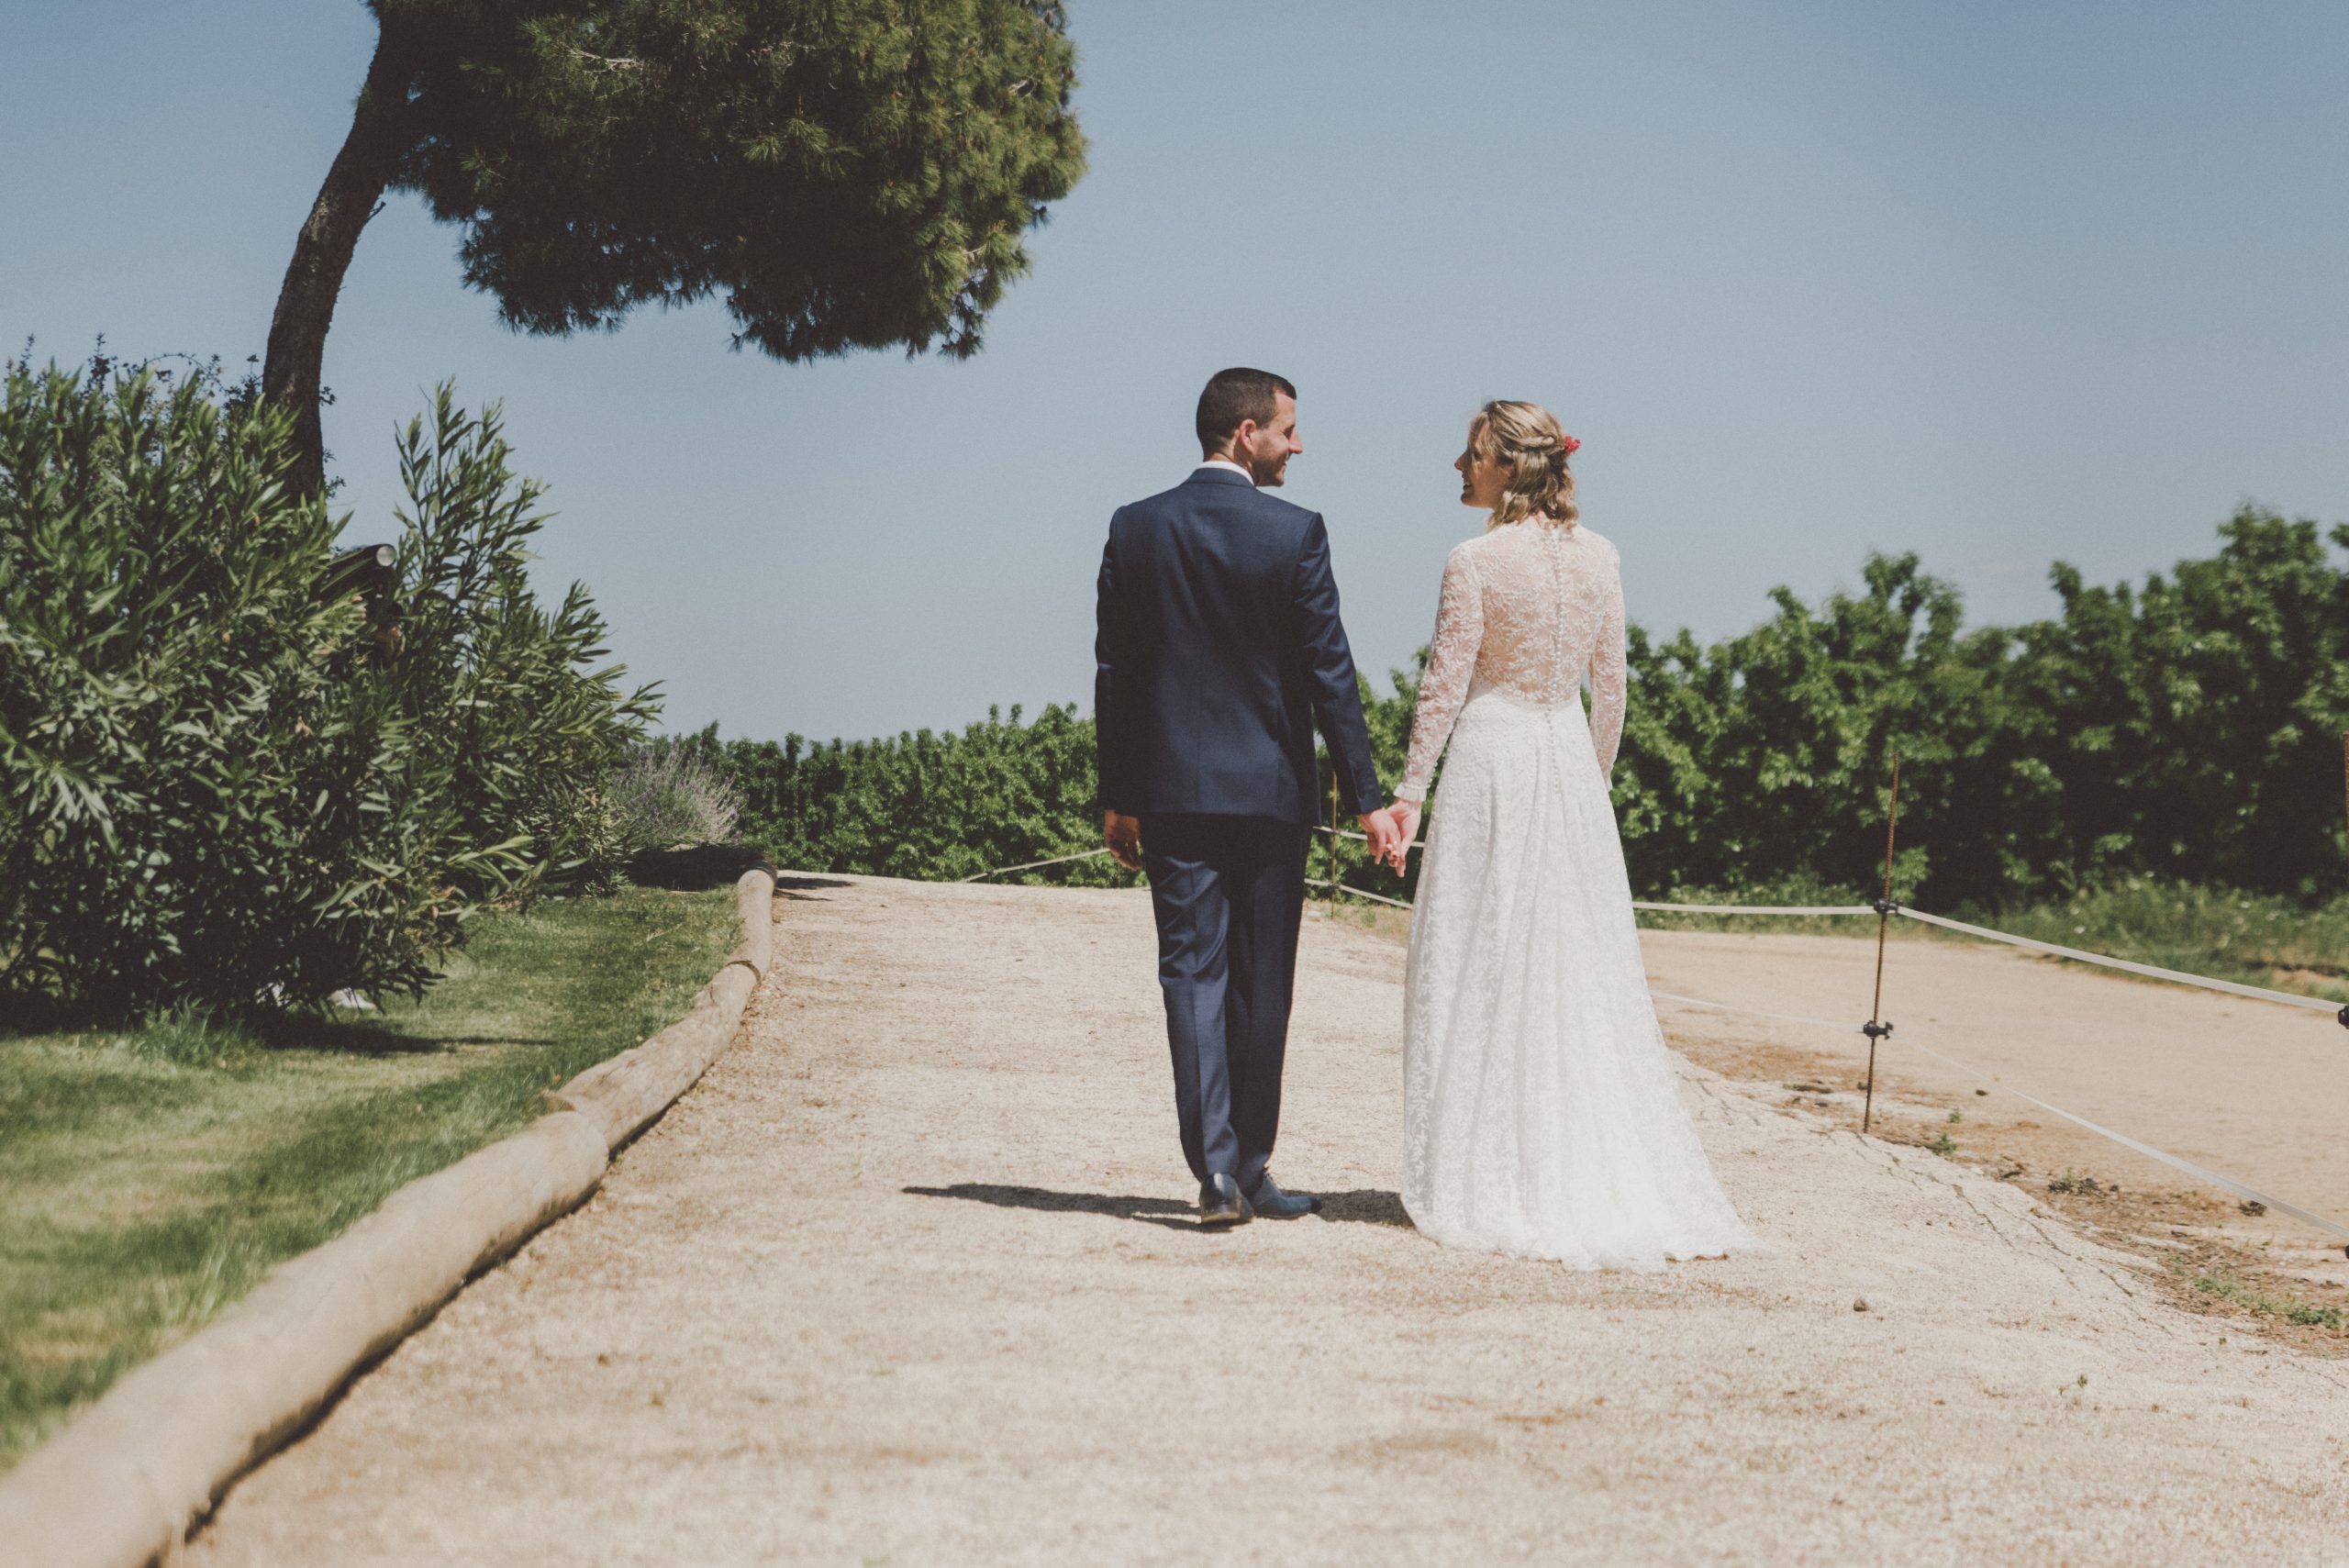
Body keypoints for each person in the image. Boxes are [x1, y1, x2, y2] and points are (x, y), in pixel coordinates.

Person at [1380, 401, 1764, 1269]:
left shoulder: (1472, 560)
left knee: (1478, 954)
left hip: (1490, 762)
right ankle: (1566, 1164)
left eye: (1471, 453)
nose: (1458, 467)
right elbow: (1613, 693)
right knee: (1570, 968)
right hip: (1566, 762)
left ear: (1508, 465)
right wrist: (1585, 787)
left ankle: (1483, 1171)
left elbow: (1443, 689)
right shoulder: (1604, 557)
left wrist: (1411, 794)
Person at [1095, 367, 1403, 1228]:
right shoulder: (1296, 532)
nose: (1298, 445)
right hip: (1271, 794)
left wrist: (1118, 798)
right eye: (1289, 430)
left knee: (1190, 973)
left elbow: (1114, 672)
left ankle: (1219, 1174)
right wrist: (1366, 795)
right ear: (1245, 434)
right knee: (1262, 982)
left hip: (1169, 792)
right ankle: (1252, 1164)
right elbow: (1329, 672)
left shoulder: (1135, 527)